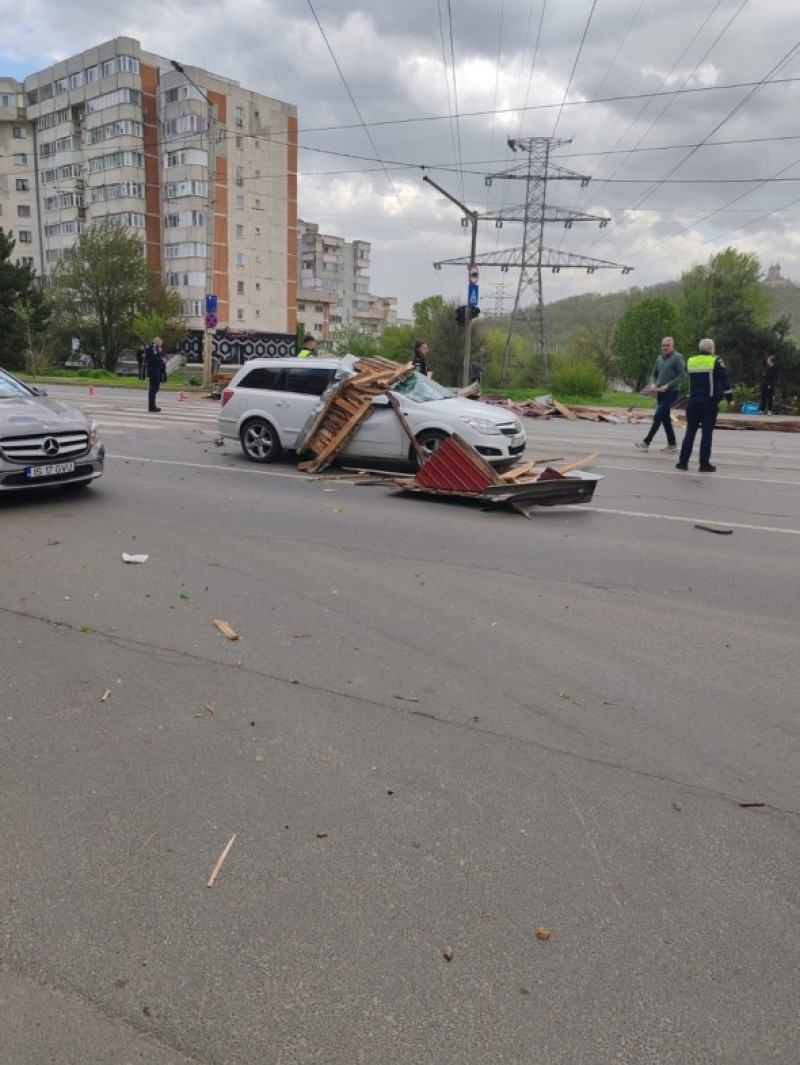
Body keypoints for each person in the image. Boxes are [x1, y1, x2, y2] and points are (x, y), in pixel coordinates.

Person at [675, 338, 734, 473]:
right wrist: (730, 398)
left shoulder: (691, 361)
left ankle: (683, 463)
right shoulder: (715, 361)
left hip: (693, 402)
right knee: (706, 433)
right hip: (709, 402)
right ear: (712, 348)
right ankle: (704, 464)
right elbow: (725, 380)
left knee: (690, 432)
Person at [635, 337, 685, 452]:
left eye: (667, 345)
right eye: (663, 345)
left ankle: (646, 442)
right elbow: (654, 373)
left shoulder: (677, 358)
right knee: (665, 418)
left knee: (658, 416)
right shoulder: (659, 358)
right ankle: (672, 444)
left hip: (671, 392)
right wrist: (652, 383)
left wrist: (668, 385)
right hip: (660, 393)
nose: (665, 347)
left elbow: (682, 375)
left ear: (672, 346)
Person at [145, 336, 166, 412]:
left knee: (155, 388)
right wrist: (161, 360)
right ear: (157, 341)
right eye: (160, 342)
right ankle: (152, 406)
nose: (161, 344)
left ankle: (152, 405)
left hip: (155, 369)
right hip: (154, 369)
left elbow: (157, 356)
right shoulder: (153, 347)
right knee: (153, 388)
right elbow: (154, 358)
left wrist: (160, 353)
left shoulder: (155, 348)